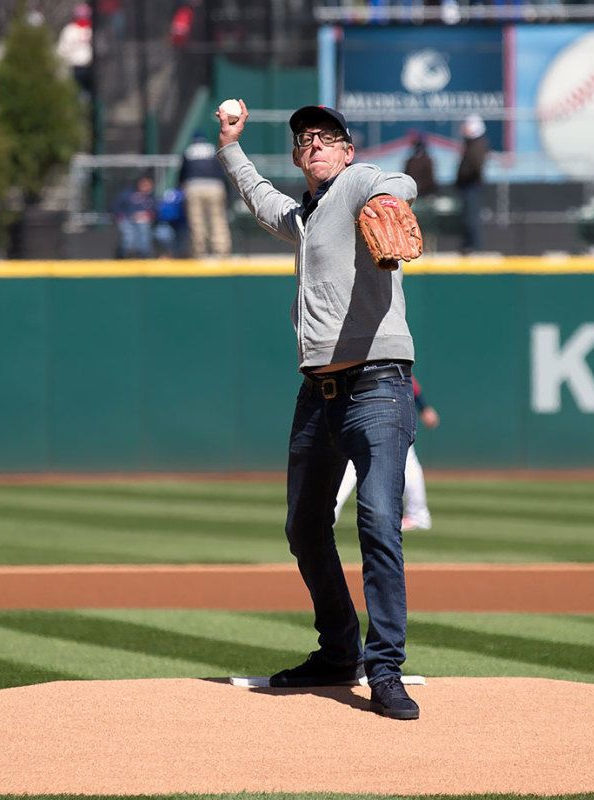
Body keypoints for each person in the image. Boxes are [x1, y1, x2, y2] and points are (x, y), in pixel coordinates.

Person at [215, 100, 421, 720]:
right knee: (305, 527)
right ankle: (339, 652)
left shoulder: (359, 184)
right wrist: (230, 146)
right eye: (305, 140)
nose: (314, 146)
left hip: (378, 386)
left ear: (347, 150)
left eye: (326, 138)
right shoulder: (304, 215)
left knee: (379, 520)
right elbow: (258, 196)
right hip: (318, 395)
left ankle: (384, 670)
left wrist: (387, 199)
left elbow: (399, 182)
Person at [334, 375, 440, 531]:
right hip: (394, 404)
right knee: (408, 461)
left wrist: (423, 407)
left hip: (377, 405)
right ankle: (418, 515)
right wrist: (423, 407)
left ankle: (329, 515)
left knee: (350, 462)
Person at [179, 131, 232, 259]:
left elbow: (182, 174)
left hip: (194, 186)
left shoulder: (188, 151)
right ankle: (221, 251)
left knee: (196, 221)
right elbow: (223, 171)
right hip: (215, 186)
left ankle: (199, 252)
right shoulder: (212, 149)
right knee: (218, 219)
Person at [455, 113, 489, 255]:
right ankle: (469, 245)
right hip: (467, 185)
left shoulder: (477, 145)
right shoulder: (471, 144)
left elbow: (475, 166)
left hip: (471, 186)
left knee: (471, 217)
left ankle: (474, 246)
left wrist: (464, 176)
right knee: (467, 217)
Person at [112, 176, 157, 258]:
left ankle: (144, 256)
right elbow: (117, 207)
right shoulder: (127, 193)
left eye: (148, 184)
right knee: (129, 237)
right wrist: (126, 216)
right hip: (128, 220)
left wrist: (147, 215)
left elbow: (156, 210)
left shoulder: (152, 197)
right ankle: (124, 255)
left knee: (144, 236)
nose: (146, 186)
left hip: (145, 222)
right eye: (144, 184)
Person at [56, 3, 93, 99]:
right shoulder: (70, 30)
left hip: (92, 67)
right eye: (81, 16)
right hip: (76, 67)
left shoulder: (93, 29)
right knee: (78, 94)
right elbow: (62, 50)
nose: (83, 18)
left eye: (85, 16)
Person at [403, 130, 438, 199]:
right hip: (414, 192)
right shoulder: (411, 160)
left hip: (423, 192)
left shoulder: (424, 160)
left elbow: (429, 178)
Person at [154, 186, 186, 257]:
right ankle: (166, 255)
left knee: (180, 246)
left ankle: (173, 255)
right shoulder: (175, 193)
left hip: (180, 224)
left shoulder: (171, 192)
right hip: (168, 223)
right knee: (165, 239)